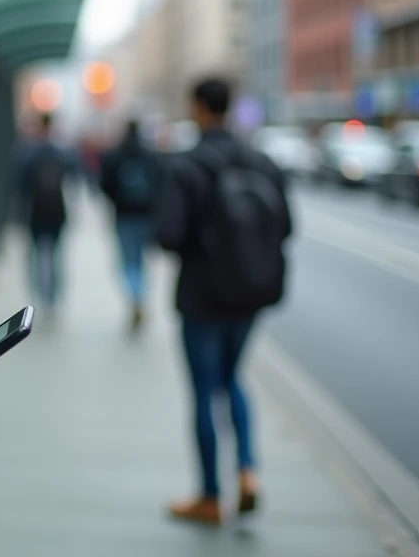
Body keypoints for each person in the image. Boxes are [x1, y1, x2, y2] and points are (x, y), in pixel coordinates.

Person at [154, 78, 292, 525]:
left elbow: (170, 235)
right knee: (234, 378)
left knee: (202, 392)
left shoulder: (188, 165)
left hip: (201, 295)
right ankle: (249, 470)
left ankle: (211, 497)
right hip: (249, 294)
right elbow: (287, 226)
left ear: (198, 107)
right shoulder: (262, 161)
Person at [98, 118, 162, 329]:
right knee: (143, 260)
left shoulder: (115, 155)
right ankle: (140, 295)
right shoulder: (151, 155)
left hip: (124, 215)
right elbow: (161, 183)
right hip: (146, 216)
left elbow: (105, 184)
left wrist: (117, 200)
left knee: (128, 261)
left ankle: (135, 296)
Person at [15, 112, 79, 317]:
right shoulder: (62, 153)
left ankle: (43, 296)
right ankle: (52, 297)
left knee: (38, 256)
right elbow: (73, 179)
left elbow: (21, 187)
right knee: (55, 255)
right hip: (57, 210)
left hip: (36, 212)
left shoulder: (28, 154)